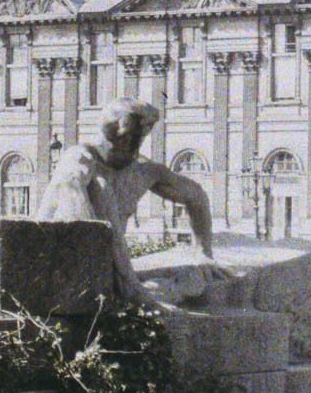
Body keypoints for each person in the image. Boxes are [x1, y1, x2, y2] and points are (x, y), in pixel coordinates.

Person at [36, 97, 214, 305]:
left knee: (194, 276)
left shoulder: (143, 171)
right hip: (65, 267)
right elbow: (73, 203)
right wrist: (130, 283)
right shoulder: (79, 158)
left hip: (114, 271)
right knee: (100, 187)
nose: (129, 143)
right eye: (123, 138)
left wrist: (203, 252)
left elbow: (196, 196)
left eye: (136, 137)